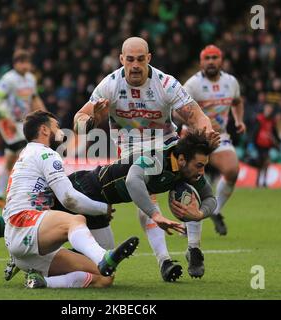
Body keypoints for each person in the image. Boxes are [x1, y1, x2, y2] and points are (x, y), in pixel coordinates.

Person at [0, 130, 216, 280]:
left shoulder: (189, 170)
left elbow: (211, 197)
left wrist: (199, 212)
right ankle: (21, 260)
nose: (201, 172)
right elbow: (133, 183)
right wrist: (157, 215)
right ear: (182, 157)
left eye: (204, 167)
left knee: (91, 264)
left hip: (101, 200)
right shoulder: (156, 156)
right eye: (199, 166)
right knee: (93, 261)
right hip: (87, 189)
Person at [73, 37, 218, 281]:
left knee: (190, 185)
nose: (136, 65)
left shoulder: (165, 84)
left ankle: (193, 248)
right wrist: (89, 122)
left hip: (167, 145)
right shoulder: (110, 85)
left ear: (149, 58)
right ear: (122, 60)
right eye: (130, 59)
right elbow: (78, 121)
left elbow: (197, 116)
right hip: (131, 151)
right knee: (145, 200)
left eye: (141, 59)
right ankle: (164, 261)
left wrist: (207, 132)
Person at [183, 44, 245, 236]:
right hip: (194, 137)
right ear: (201, 62)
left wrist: (239, 120)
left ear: (221, 60)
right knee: (187, 179)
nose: (211, 61)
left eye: (214, 58)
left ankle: (215, 211)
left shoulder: (231, 82)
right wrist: (198, 124)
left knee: (232, 170)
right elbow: (179, 110)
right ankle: (187, 220)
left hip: (219, 137)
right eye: (207, 58)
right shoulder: (192, 84)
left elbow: (237, 101)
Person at [0, 49, 46, 208]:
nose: (25, 66)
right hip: (8, 122)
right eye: (22, 62)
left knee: (10, 158)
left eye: (27, 62)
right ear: (16, 63)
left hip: (23, 122)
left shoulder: (30, 79)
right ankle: (24, 194)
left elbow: (34, 98)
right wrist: (6, 118)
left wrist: (46, 114)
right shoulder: (7, 79)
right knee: (25, 149)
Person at [252, 104, 280, 187]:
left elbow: (274, 132)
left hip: (267, 145)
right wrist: (252, 142)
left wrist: (278, 141)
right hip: (259, 145)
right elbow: (254, 132)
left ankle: (263, 181)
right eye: (267, 109)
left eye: (270, 110)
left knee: (266, 163)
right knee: (261, 164)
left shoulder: (272, 121)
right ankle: (258, 181)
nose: (269, 111)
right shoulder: (259, 119)